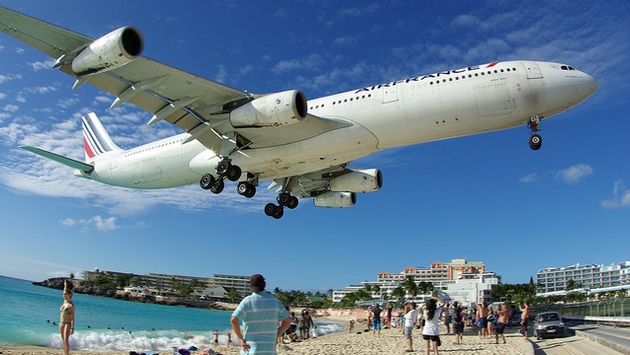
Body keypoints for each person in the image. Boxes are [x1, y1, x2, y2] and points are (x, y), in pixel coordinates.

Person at [230, 274, 292, 355]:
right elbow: (288, 320)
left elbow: (233, 320)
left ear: (250, 286)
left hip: (251, 348)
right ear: (265, 285)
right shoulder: (274, 301)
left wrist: (241, 339)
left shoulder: (247, 301)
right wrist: (278, 335)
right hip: (269, 349)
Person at [59, 280, 75, 355]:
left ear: (70, 295)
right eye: (64, 294)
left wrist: (72, 328)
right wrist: (65, 284)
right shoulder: (64, 302)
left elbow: (72, 317)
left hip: (67, 324)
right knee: (63, 340)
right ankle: (65, 353)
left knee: (66, 340)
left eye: (66, 294)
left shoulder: (71, 306)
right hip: (61, 323)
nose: (64, 295)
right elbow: (64, 290)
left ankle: (67, 354)